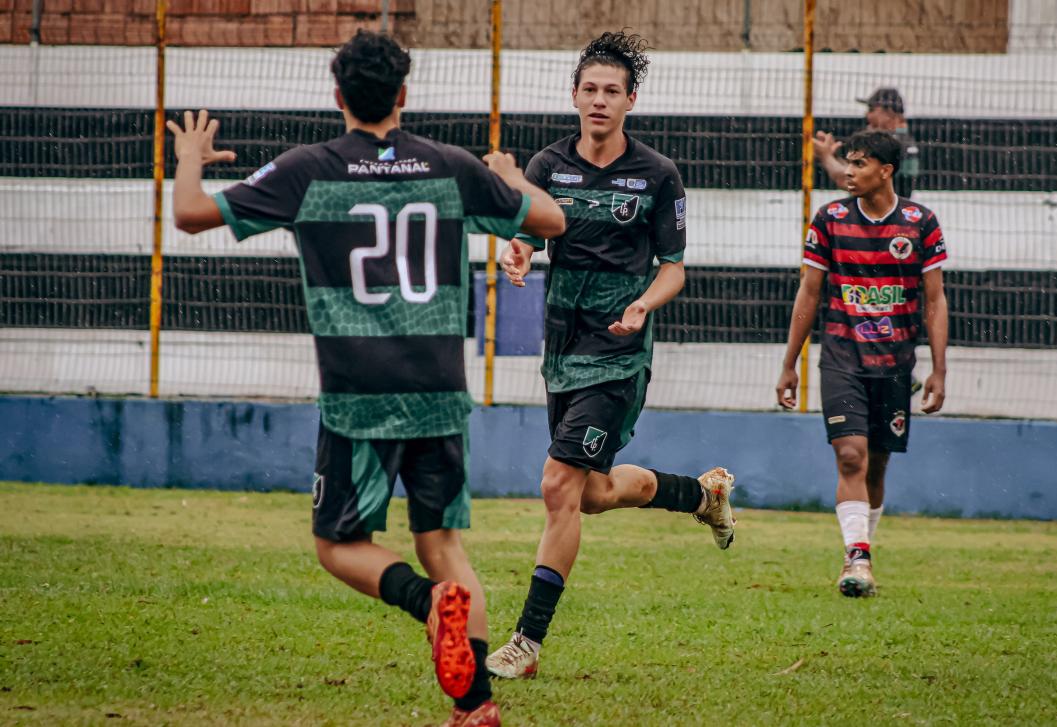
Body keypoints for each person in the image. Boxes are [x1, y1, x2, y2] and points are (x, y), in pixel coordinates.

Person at [167, 30, 565, 727]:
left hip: (359, 394)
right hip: (438, 389)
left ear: (338, 97)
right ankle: (474, 708)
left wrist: (189, 160)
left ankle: (424, 603)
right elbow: (552, 220)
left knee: (337, 542)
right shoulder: (450, 166)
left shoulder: (307, 169)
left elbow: (190, 214)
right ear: (403, 96)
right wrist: (509, 174)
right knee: (442, 542)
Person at [485, 30, 736, 680]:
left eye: (611, 91)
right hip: (563, 346)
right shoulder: (547, 167)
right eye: (589, 89)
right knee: (592, 493)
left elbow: (674, 267)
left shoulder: (657, 175)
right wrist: (515, 253)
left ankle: (526, 642)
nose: (599, 100)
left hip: (619, 352)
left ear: (630, 100)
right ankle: (700, 495)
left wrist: (644, 304)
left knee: (557, 484)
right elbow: (526, 238)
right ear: (575, 95)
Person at [776, 130, 948, 598]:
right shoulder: (830, 219)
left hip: (894, 364)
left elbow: (934, 300)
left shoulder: (920, 223)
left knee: (877, 466)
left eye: (858, 165)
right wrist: (790, 362)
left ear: (885, 171)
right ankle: (858, 559)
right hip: (840, 357)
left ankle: (860, 543)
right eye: (845, 164)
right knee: (851, 454)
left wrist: (938, 368)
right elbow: (809, 292)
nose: (847, 173)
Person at [813, 87, 920, 199]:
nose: (867, 115)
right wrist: (833, 157)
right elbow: (858, 173)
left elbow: (848, 180)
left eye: (871, 109)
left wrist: (825, 156)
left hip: (879, 214)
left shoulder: (890, 143)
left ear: (889, 112)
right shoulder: (902, 140)